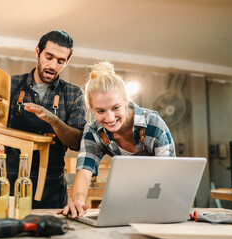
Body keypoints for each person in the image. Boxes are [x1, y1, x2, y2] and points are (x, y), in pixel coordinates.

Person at [59, 61, 175, 217]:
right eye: (100, 111)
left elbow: (168, 174)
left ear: (126, 101)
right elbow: (84, 169)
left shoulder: (153, 124)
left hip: (160, 195)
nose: (110, 118)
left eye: (116, 108)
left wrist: (126, 201)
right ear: (92, 109)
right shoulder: (93, 132)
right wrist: (78, 202)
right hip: (129, 192)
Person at [0, 30, 87, 209]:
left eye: (60, 61)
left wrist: (54, 120)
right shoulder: (10, 84)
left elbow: (76, 142)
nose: (53, 65)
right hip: (11, 180)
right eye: (49, 57)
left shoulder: (73, 93)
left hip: (52, 186)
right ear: (38, 52)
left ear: (67, 62)